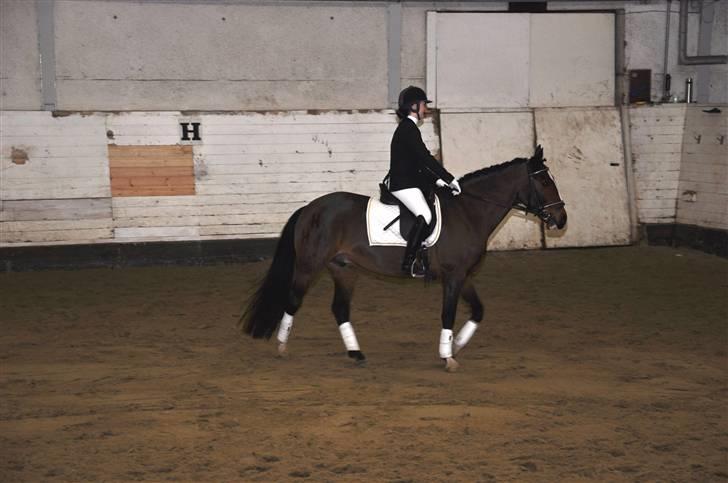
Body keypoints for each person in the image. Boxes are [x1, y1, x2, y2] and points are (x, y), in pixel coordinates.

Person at [389, 86, 461, 276]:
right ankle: (409, 262)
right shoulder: (408, 129)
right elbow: (425, 158)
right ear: (414, 106)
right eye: (423, 105)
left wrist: (437, 182)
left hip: (409, 181)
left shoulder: (408, 128)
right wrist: (449, 178)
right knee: (425, 215)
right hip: (402, 184)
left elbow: (417, 165)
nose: (426, 109)